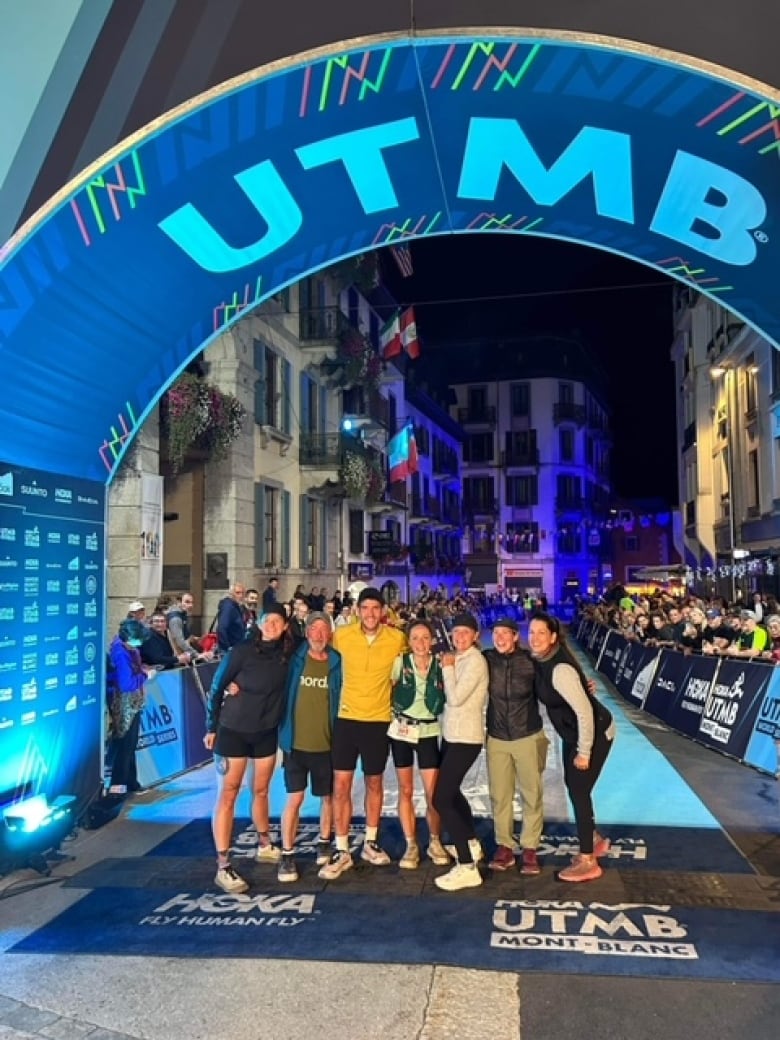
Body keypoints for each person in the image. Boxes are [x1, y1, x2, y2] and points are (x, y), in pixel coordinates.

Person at [318, 587, 405, 879]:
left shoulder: (396, 639)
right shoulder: (342, 636)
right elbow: (316, 653)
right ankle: (342, 848)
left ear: (383, 611)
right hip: (346, 720)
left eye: (374, 608)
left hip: (378, 721)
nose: (369, 614)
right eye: (364, 608)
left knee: (374, 784)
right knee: (340, 786)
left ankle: (370, 841)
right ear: (357, 610)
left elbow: (414, 665)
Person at [204, 603, 291, 893]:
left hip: (266, 731)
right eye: (268, 620)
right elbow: (217, 687)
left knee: (262, 790)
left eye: (279, 622)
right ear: (259, 622)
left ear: (286, 626)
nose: (273, 626)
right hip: (234, 731)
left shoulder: (287, 653)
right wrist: (211, 727)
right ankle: (223, 864)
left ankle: (264, 843)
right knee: (228, 792)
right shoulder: (240, 651)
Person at [528, 612, 615, 883]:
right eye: (531, 632)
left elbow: (585, 712)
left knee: (578, 790)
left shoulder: (560, 669)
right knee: (575, 786)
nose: (535, 637)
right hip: (572, 733)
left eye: (541, 632)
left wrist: (584, 751)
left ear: (553, 637)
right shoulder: (541, 660)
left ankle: (588, 860)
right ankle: (595, 839)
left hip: (594, 732)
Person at [277, 612, 342, 883]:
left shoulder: (337, 662)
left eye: (323, 629)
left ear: (329, 634)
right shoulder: (293, 659)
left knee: (327, 797)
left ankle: (325, 841)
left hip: (326, 744)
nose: (318, 634)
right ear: (306, 633)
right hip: (296, 745)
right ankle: (287, 854)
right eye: (313, 629)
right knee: (294, 799)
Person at [483, 617, 548, 875]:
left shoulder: (531, 661)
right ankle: (505, 846)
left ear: (514, 636)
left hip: (527, 735)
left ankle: (530, 847)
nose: (499, 638)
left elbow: (556, 679)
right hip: (497, 737)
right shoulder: (486, 659)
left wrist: (583, 686)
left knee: (531, 794)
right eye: (496, 633)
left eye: (504, 634)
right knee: (500, 795)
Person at [433, 612, 489, 892]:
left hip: (467, 738)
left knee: (441, 799)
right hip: (452, 735)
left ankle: (467, 866)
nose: (459, 637)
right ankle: (471, 843)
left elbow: (455, 698)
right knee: (452, 793)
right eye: (456, 633)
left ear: (475, 636)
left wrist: (447, 667)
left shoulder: (474, 661)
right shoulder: (461, 659)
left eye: (465, 633)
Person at [389, 619, 449, 869]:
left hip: (428, 731)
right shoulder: (399, 664)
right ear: (408, 641)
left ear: (432, 640)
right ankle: (411, 843)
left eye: (426, 638)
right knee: (405, 790)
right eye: (415, 638)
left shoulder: (442, 664)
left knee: (433, 793)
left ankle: (435, 841)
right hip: (402, 731)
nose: (421, 643)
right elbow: (389, 688)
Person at [106, 618, 156, 795]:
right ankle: (118, 785)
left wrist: (141, 669)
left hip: (132, 702)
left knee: (130, 744)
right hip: (125, 705)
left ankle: (131, 782)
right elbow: (126, 683)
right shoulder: (120, 652)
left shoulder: (127, 648)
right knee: (125, 744)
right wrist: (145, 676)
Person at [216, 583, 247, 652]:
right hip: (230, 649)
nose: (241, 596)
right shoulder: (228, 607)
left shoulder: (236, 607)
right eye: (237, 593)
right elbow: (222, 628)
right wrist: (227, 648)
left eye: (242, 593)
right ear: (231, 594)